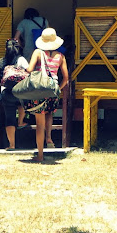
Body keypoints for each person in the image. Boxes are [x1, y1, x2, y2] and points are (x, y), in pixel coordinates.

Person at [24, 28, 69, 162]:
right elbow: (66, 78)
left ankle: (40, 155)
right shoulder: (61, 56)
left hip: (40, 89)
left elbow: (30, 69)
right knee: (49, 114)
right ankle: (49, 138)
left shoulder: (38, 52)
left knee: (39, 123)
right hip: (52, 89)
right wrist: (58, 89)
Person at [0, 39, 29, 150]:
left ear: (5, 49)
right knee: (22, 103)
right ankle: (20, 122)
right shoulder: (21, 59)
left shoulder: (1, 61)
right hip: (19, 91)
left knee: (9, 118)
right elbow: (29, 72)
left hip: (6, 92)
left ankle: (12, 145)